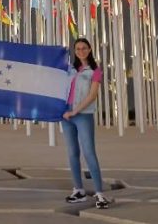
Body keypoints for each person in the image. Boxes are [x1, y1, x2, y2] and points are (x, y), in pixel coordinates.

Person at [61, 37, 110, 209]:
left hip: (82, 115)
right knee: (72, 152)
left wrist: (75, 111)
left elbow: (92, 95)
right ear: (74, 52)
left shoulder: (95, 71)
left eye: (84, 48)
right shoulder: (69, 70)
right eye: (77, 49)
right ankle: (79, 190)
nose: (81, 51)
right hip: (66, 116)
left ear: (89, 50)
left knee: (89, 153)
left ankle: (100, 194)